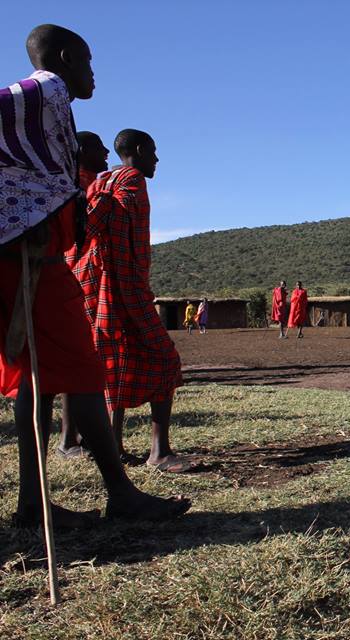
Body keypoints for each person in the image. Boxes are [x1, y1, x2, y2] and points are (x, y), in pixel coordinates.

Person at [0, 24, 189, 525]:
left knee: (38, 382)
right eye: (88, 61)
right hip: (29, 259)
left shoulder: (54, 112)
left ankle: (32, 503)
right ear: (65, 58)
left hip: (34, 258)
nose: (93, 74)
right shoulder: (45, 90)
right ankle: (120, 494)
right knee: (83, 372)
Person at [77, 128, 191, 472]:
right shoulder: (131, 179)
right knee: (166, 360)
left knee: (114, 362)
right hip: (126, 286)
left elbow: (90, 225)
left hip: (103, 289)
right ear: (139, 150)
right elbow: (117, 222)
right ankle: (159, 452)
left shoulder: (103, 182)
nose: (156, 159)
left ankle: (113, 446)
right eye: (153, 151)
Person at [57, 130, 110, 459]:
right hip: (75, 275)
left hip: (83, 275)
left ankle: (79, 437)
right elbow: (81, 233)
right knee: (76, 361)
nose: (106, 152)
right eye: (99, 147)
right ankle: (68, 440)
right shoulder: (74, 184)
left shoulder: (90, 183)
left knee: (85, 360)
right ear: (82, 150)